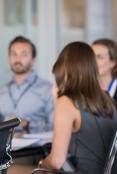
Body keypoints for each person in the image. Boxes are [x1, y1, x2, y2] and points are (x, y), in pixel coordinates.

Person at [39, 42, 117, 174]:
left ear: (63, 68)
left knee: (12, 169)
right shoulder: (108, 99)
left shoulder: (66, 102)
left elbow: (56, 161)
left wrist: (41, 163)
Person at [0, 36, 54, 133]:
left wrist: (28, 125)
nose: (18, 59)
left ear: (33, 59)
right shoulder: (0, 92)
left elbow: (55, 127)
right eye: (14, 54)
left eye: (23, 54)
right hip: (3, 146)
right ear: (9, 58)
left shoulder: (48, 90)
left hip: (37, 147)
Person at [92, 38, 117, 103]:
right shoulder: (84, 90)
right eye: (91, 56)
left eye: (99, 57)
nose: (93, 61)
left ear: (113, 62)